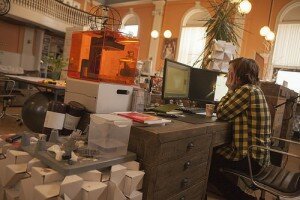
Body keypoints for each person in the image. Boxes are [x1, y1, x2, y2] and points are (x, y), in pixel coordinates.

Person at [209, 57, 271, 200]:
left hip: (250, 159)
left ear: (239, 75)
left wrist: (230, 88)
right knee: (211, 153)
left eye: (230, 72)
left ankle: (242, 198)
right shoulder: (255, 89)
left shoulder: (246, 90)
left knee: (206, 159)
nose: (227, 75)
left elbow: (222, 113)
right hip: (258, 157)